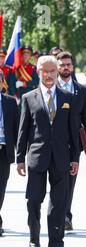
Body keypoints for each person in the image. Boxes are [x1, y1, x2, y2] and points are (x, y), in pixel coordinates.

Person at [16, 55, 79, 247]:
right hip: (37, 157)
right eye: (45, 71)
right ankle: (34, 237)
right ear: (38, 72)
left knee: (59, 203)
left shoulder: (67, 97)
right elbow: (23, 130)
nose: (50, 74)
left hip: (61, 157)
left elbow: (73, 130)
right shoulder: (28, 98)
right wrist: (19, 158)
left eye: (53, 71)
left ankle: (56, 244)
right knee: (34, 200)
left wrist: (75, 158)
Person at [57, 51, 86, 231]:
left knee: (70, 182)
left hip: (74, 144)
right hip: (53, 143)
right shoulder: (50, 87)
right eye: (62, 65)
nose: (65, 67)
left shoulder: (81, 90)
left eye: (68, 64)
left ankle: (65, 216)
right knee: (55, 181)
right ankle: (56, 214)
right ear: (57, 67)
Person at [0, 70, 20, 237]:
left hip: (4, 151)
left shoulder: (10, 103)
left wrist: (20, 153)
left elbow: (17, 129)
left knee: (1, 186)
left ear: (2, 84)